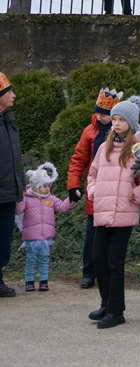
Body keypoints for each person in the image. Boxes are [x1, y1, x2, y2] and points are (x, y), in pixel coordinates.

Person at [86, 97, 140, 329]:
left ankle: (116, 311)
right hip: (103, 211)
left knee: (115, 261)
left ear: (131, 123)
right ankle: (106, 303)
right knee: (97, 258)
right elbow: (92, 174)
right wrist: (93, 191)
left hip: (124, 212)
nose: (116, 123)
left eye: (121, 119)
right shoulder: (104, 147)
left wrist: (136, 194)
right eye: (114, 118)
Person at [67, 87, 124, 289]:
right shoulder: (89, 131)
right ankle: (89, 272)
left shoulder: (123, 130)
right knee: (92, 236)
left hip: (117, 191)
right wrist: (73, 185)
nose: (100, 117)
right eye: (98, 112)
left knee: (113, 237)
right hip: (96, 191)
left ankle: (108, 272)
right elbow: (78, 160)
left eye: (105, 114)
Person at [15, 163, 77, 292]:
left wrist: (72, 199)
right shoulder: (26, 198)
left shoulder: (51, 199)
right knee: (31, 259)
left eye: (49, 186)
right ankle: (29, 281)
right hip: (31, 237)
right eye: (44, 186)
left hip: (45, 237)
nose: (47, 189)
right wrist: (18, 198)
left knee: (44, 259)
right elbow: (18, 210)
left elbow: (62, 207)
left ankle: (43, 281)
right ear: (35, 186)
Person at [0, 73, 23, 297]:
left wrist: (21, 185)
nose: (13, 95)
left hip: (8, 192)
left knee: (3, 241)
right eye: (9, 92)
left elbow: (15, 156)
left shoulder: (8, 120)